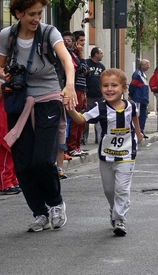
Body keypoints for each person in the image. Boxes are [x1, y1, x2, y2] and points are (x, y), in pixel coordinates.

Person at [0, 0, 77, 232]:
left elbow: (66, 60)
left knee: (42, 160)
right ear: (18, 13)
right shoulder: (6, 35)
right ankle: (39, 212)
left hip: (49, 98)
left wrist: (70, 85)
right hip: (20, 99)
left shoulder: (49, 33)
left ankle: (55, 203)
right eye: (31, 14)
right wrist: (6, 76)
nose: (36, 19)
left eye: (40, 13)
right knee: (23, 163)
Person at [66, 68, 144, 236]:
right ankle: (114, 209)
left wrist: (138, 133)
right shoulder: (99, 108)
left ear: (124, 88)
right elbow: (81, 119)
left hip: (127, 154)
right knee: (109, 190)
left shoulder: (131, 106)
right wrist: (70, 108)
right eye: (105, 86)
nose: (109, 89)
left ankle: (119, 219)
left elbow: (135, 117)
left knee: (122, 189)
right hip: (106, 156)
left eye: (114, 85)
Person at [62, 31, 88, 157]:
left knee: (81, 119)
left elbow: (86, 71)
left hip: (82, 89)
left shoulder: (74, 55)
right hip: (75, 89)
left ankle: (77, 146)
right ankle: (72, 146)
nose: (83, 44)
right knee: (75, 119)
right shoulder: (69, 56)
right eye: (81, 41)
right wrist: (82, 55)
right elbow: (83, 70)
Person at [83, 47, 105, 144]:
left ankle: (99, 138)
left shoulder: (102, 67)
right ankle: (83, 138)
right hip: (88, 95)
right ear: (96, 54)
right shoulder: (87, 63)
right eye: (101, 53)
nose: (102, 55)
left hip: (99, 95)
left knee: (100, 117)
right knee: (85, 116)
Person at [129, 59, 150, 138]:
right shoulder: (137, 74)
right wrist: (131, 94)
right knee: (137, 115)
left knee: (143, 115)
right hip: (138, 98)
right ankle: (137, 131)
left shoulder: (143, 74)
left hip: (143, 98)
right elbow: (133, 85)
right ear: (142, 65)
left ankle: (141, 130)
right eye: (147, 64)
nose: (149, 66)